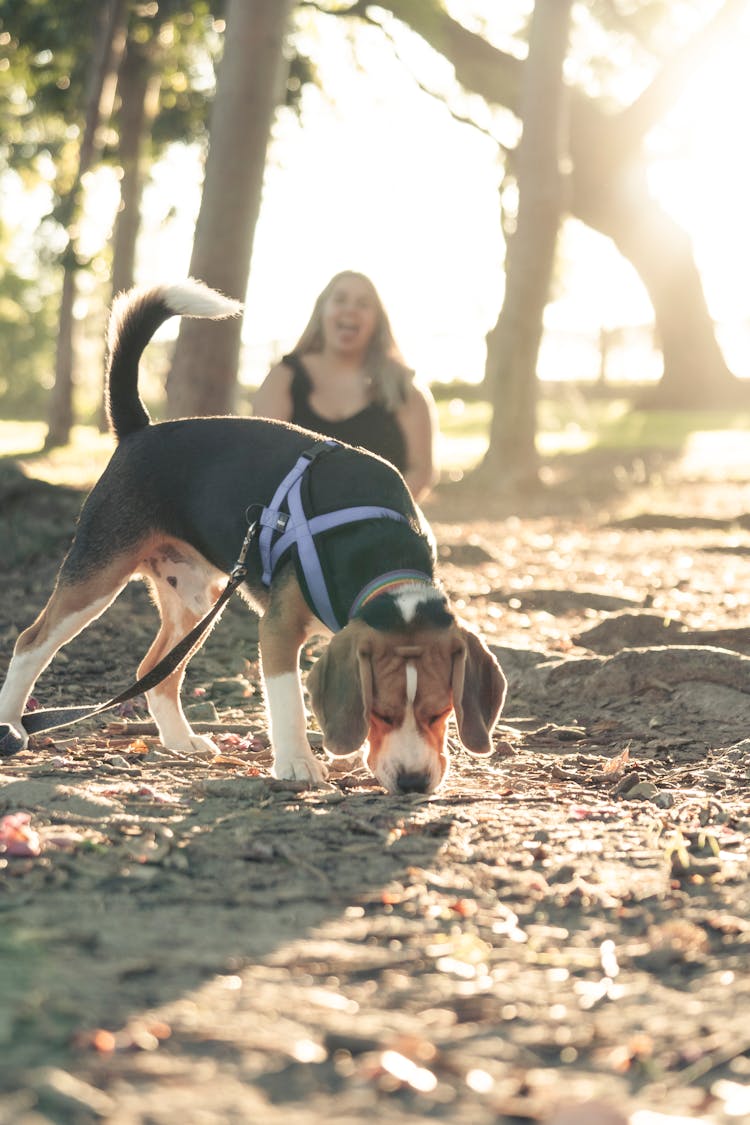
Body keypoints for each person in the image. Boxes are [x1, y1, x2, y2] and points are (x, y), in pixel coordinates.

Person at [253, 271, 438, 502]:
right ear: (322, 310)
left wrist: (377, 512)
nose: (350, 310)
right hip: (297, 525)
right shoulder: (284, 378)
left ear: (377, 320)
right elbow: (262, 459)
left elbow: (421, 470)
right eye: (340, 300)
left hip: (382, 523)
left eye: (363, 304)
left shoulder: (404, 388)